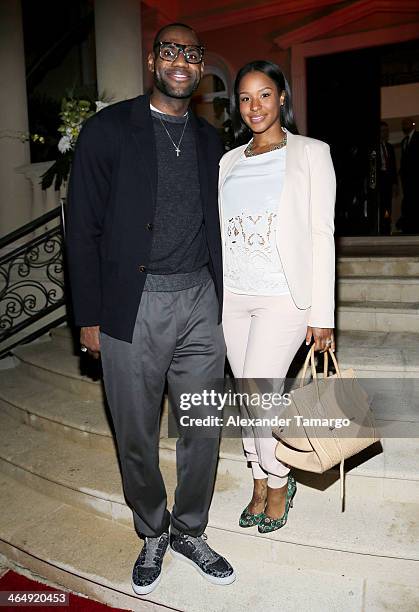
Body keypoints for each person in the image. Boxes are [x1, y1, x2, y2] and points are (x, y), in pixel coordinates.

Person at [66, 22, 235, 596]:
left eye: (191, 54)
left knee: (203, 425)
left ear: (201, 65)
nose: (181, 62)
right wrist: (88, 314)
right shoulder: (108, 130)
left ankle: (190, 528)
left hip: (201, 302)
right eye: (170, 51)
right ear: (151, 60)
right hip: (132, 303)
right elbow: (81, 229)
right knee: (135, 430)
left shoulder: (213, 142)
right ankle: (153, 528)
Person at [219, 61, 336, 533]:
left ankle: (279, 478)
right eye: (245, 98)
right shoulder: (228, 161)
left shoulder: (311, 153)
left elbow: (321, 233)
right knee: (249, 394)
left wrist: (322, 313)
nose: (255, 106)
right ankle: (256, 475)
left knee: (259, 392)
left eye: (264, 95)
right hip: (233, 296)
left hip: (284, 295)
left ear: (282, 97)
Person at [397, 117, 419, 233]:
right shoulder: (404, 141)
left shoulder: (418, 137)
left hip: (416, 178)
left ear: (412, 125)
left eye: (406, 123)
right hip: (407, 180)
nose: (404, 125)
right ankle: (409, 227)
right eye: (403, 124)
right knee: (408, 201)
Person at [379, 121, 397, 235]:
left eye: (387, 131)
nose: (385, 133)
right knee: (379, 205)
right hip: (378, 182)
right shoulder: (374, 147)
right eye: (383, 131)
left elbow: (393, 166)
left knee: (387, 206)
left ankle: (386, 228)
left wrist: (395, 183)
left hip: (388, 182)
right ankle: (378, 228)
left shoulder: (390, 147)